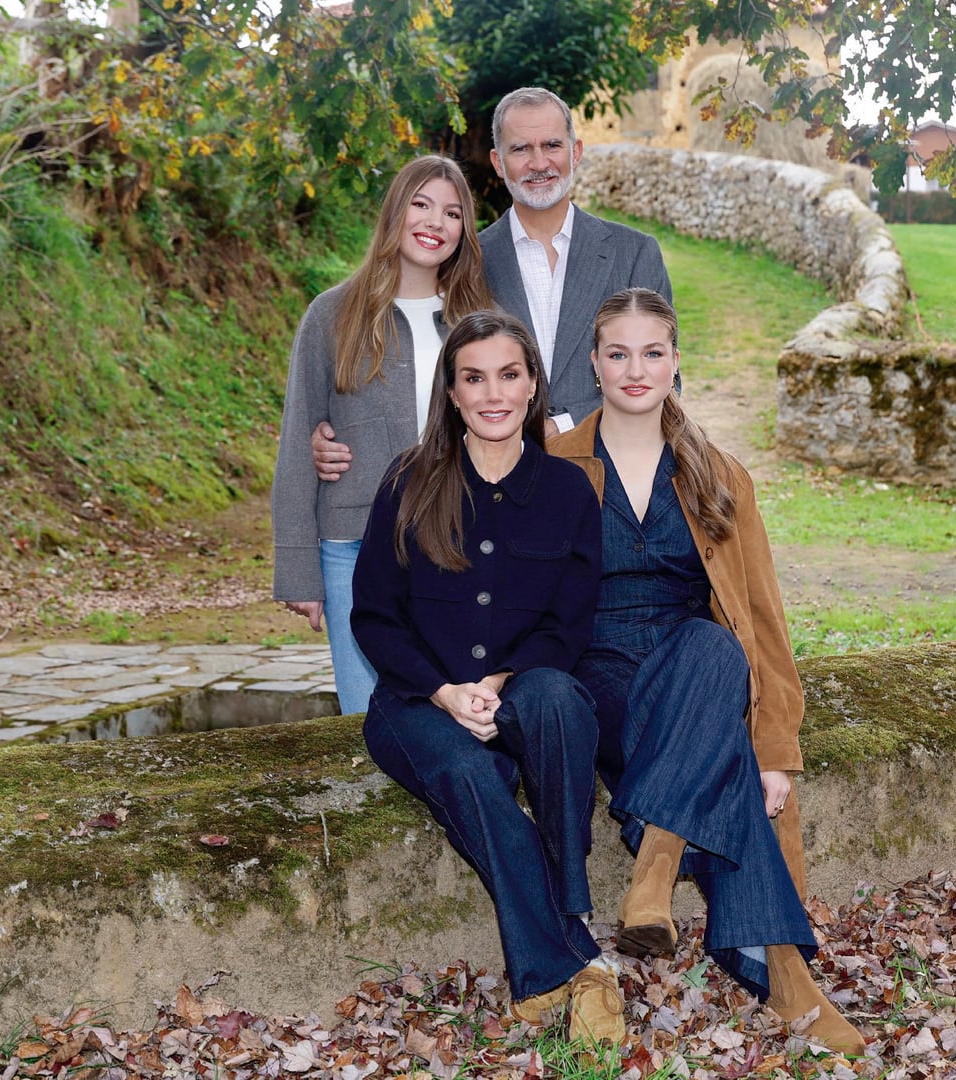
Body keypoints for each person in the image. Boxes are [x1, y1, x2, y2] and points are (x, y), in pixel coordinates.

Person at [549, 288, 867, 1055]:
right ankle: (785, 974)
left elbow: (762, 620)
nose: (636, 369)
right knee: (719, 747)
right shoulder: (555, 467)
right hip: (600, 677)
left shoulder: (717, 473)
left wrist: (776, 749)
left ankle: (656, 870)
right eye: (618, 353)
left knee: (716, 650)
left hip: (696, 670)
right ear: (594, 364)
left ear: (675, 362)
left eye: (652, 352)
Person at [350, 310, 625, 1045]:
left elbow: (569, 625)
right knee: (469, 774)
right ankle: (571, 958)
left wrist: (500, 681)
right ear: (451, 391)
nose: (493, 393)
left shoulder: (569, 491)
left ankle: (566, 906)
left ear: (533, 385)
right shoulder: (408, 482)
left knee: (559, 698)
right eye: (474, 378)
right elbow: (374, 618)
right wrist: (444, 692)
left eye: (509, 375)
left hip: (519, 691)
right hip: (416, 700)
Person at [309, 85, 673, 481]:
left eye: (552, 145)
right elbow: (420, 358)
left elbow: (668, 381)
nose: (539, 162)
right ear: (498, 162)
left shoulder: (634, 254)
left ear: (576, 152)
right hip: (492, 487)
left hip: (613, 477)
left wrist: (564, 425)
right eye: (520, 149)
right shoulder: (464, 262)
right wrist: (341, 427)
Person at [271, 155, 493, 713]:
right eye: (421, 204)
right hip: (353, 547)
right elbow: (298, 443)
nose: (435, 222)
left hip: (459, 542)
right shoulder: (331, 315)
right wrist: (298, 571)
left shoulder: (480, 321)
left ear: (464, 230)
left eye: (452, 213)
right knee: (367, 716)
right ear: (395, 211)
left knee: (453, 715)